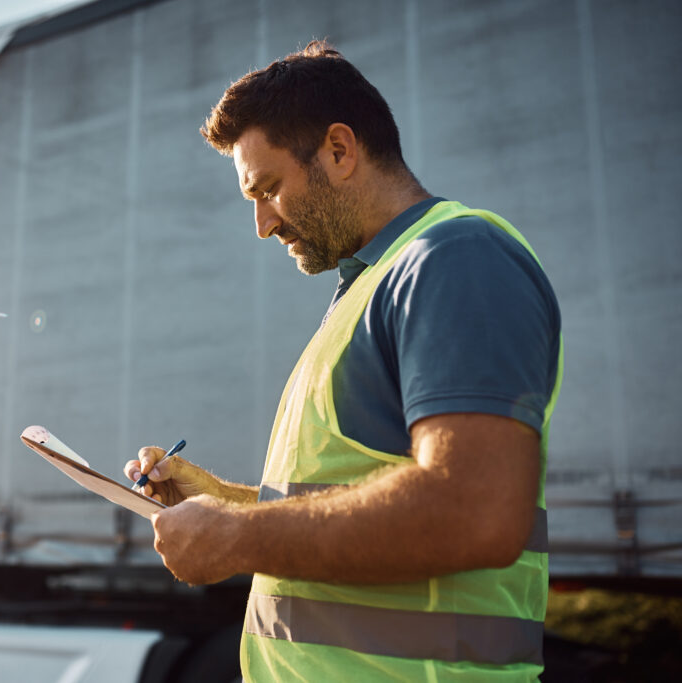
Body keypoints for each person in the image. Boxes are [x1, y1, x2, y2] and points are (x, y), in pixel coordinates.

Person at [124, 41, 563, 681]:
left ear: (339, 149)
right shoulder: (371, 284)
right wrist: (226, 504)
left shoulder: (454, 257)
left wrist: (235, 539)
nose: (262, 225)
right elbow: (356, 499)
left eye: (268, 189)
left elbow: (476, 510)